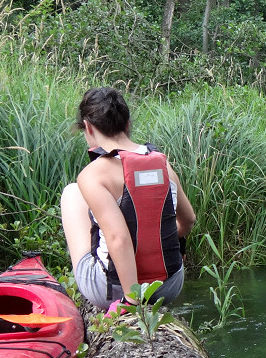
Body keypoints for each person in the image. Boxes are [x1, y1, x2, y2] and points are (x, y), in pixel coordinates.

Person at [60, 87, 196, 309]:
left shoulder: (93, 175)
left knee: (72, 192)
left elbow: (120, 239)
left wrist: (132, 299)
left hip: (113, 290)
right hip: (168, 286)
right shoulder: (163, 165)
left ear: (88, 127)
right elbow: (188, 220)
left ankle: (122, 289)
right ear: (127, 124)